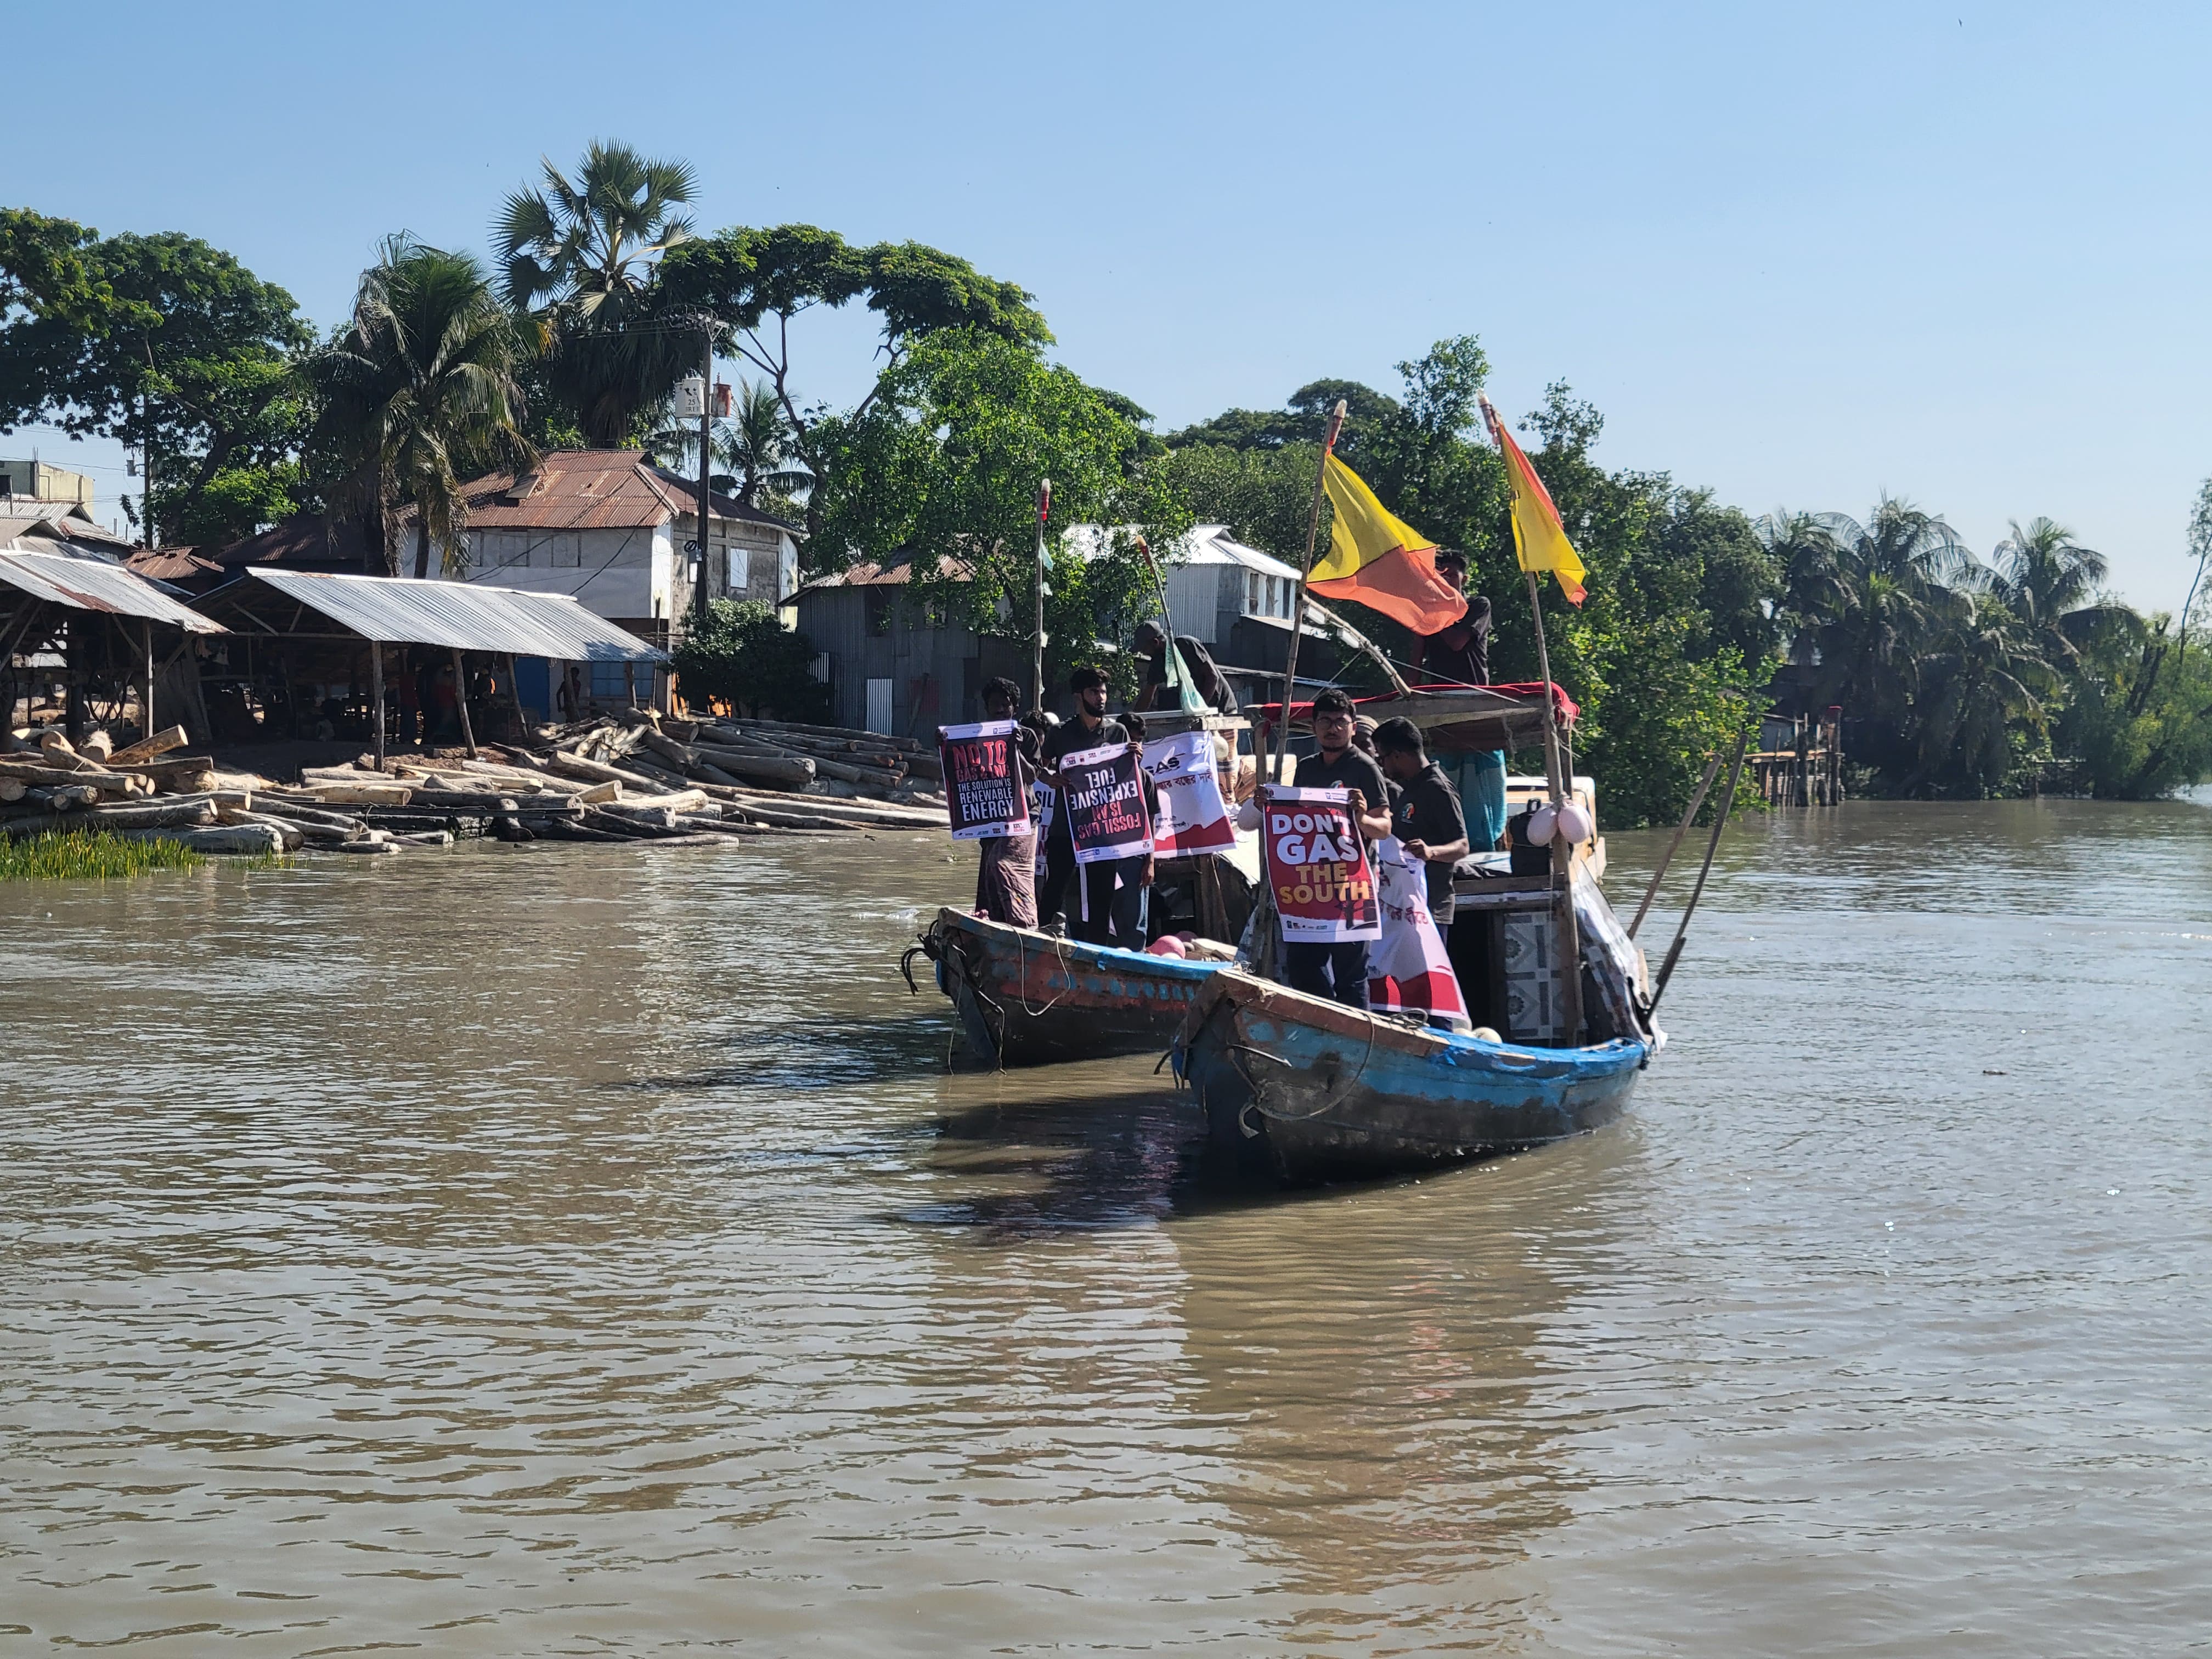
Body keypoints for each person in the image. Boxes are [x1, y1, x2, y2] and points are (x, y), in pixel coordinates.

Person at [1239, 686, 1392, 1009]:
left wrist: (1362, 816)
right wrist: (1268, 802)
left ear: (1353, 726)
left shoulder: (1364, 767)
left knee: (1351, 974)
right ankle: (1324, 1027)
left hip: (1353, 887)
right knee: (1304, 966)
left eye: (1340, 721)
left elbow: (1384, 828)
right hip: (1312, 886)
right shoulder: (1307, 768)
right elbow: (1296, 818)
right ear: (1314, 726)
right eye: (1326, 721)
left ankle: (1356, 1039)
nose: (1333, 728)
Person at [1036, 665, 1152, 947]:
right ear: (1079, 696)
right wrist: (1048, 778)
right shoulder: (1060, 733)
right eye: (1094, 692)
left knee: (1102, 898)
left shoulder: (1118, 732)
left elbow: (1127, 778)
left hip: (1104, 829)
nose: (1101, 698)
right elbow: (1037, 765)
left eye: (1103, 692)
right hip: (1067, 828)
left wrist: (1136, 757)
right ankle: (1037, 945)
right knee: (1054, 891)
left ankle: (1097, 955)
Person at [1410, 549, 1508, 851]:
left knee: (1487, 783)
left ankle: (1488, 846)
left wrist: (1434, 610)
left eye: (1451, 574)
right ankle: (1448, 845)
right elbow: (1415, 660)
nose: (1446, 580)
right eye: (1440, 575)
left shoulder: (1477, 606)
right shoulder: (1428, 613)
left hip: (1476, 703)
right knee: (1445, 778)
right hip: (1441, 706)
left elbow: (1457, 642)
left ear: (1464, 578)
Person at [1373, 717, 1471, 930]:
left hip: (1431, 909)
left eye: (1382, 759)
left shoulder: (1438, 788)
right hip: (1404, 906)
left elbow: (1463, 846)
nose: (1383, 766)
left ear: (1398, 755)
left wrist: (1431, 852)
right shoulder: (1410, 787)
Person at [971, 677, 1041, 927]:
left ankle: (1024, 928)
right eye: (995, 705)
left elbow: (1032, 776)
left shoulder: (1027, 736)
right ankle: (994, 930)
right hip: (991, 818)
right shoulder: (975, 737)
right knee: (990, 882)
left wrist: (1014, 750)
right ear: (987, 708)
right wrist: (945, 744)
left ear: (1015, 708)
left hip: (1022, 818)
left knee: (1007, 867)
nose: (1000, 709)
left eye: (1006, 704)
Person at [1132, 620, 1234, 713]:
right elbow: (1147, 697)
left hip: (1222, 707)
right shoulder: (1157, 663)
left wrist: (1199, 710)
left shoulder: (1186, 645)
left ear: (1156, 642)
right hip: (1195, 711)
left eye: (1144, 649)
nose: (1143, 653)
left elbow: (1212, 677)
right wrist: (1132, 719)